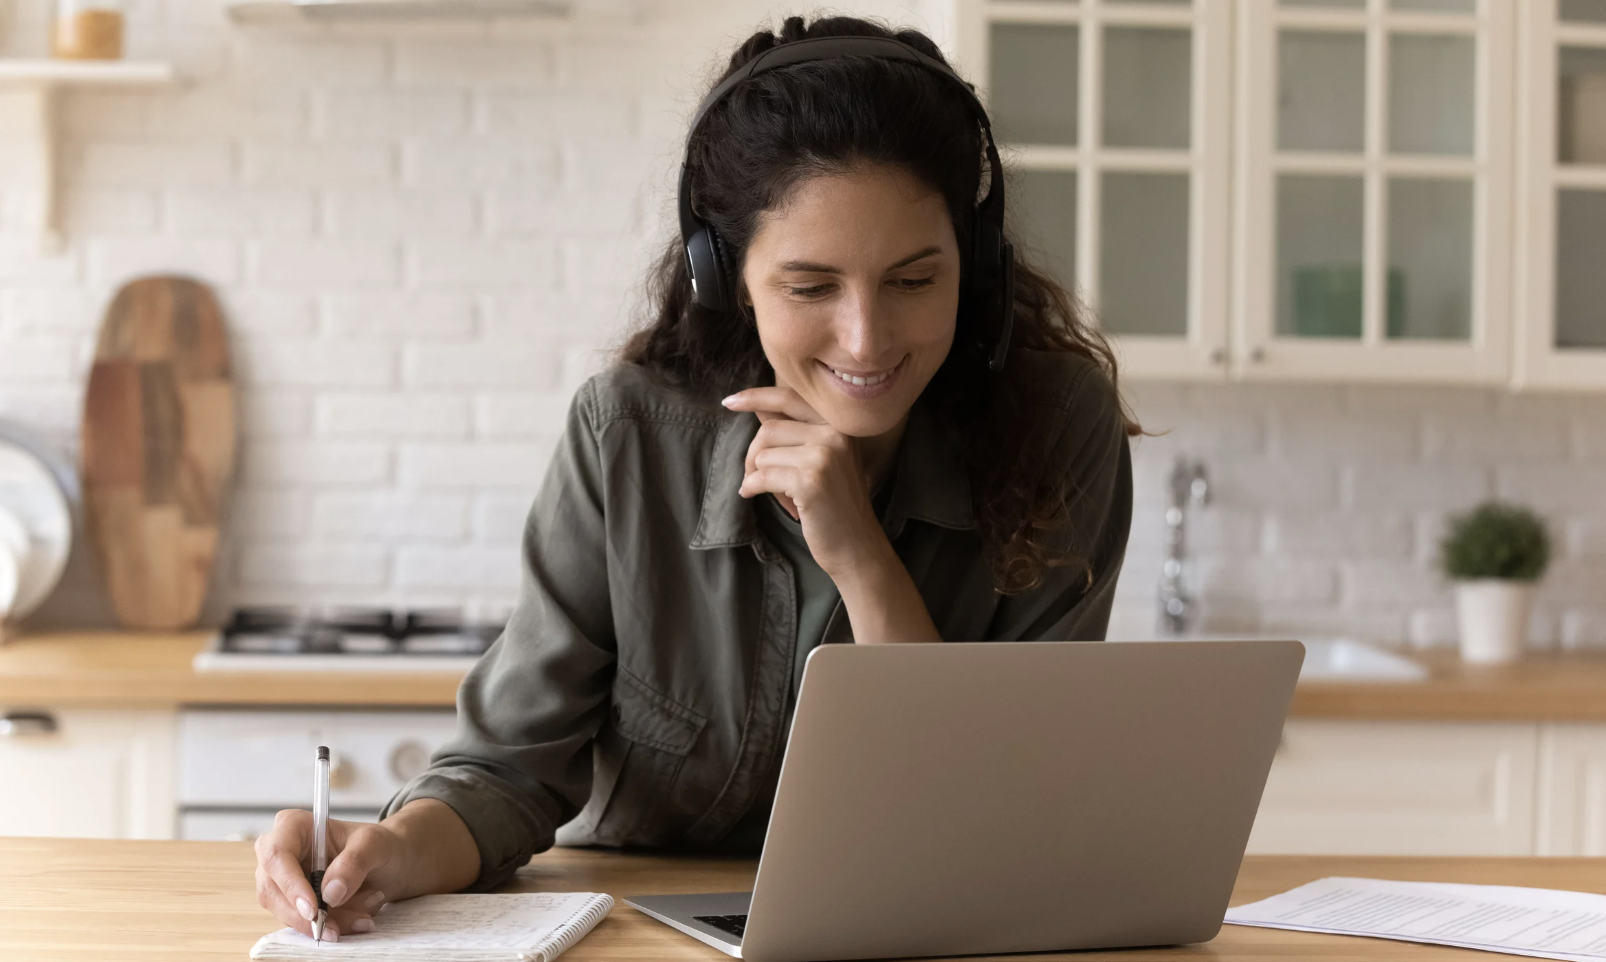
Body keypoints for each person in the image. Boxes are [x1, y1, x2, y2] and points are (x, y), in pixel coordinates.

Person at [252, 14, 1136, 942]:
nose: (867, 339)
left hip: (922, 933)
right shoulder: (627, 434)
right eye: (809, 288)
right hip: (636, 935)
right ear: (727, 278)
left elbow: (992, 820)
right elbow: (508, 771)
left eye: (915, 280)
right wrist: (384, 852)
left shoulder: (1058, 427)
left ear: (977, 265)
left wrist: (861, 557)